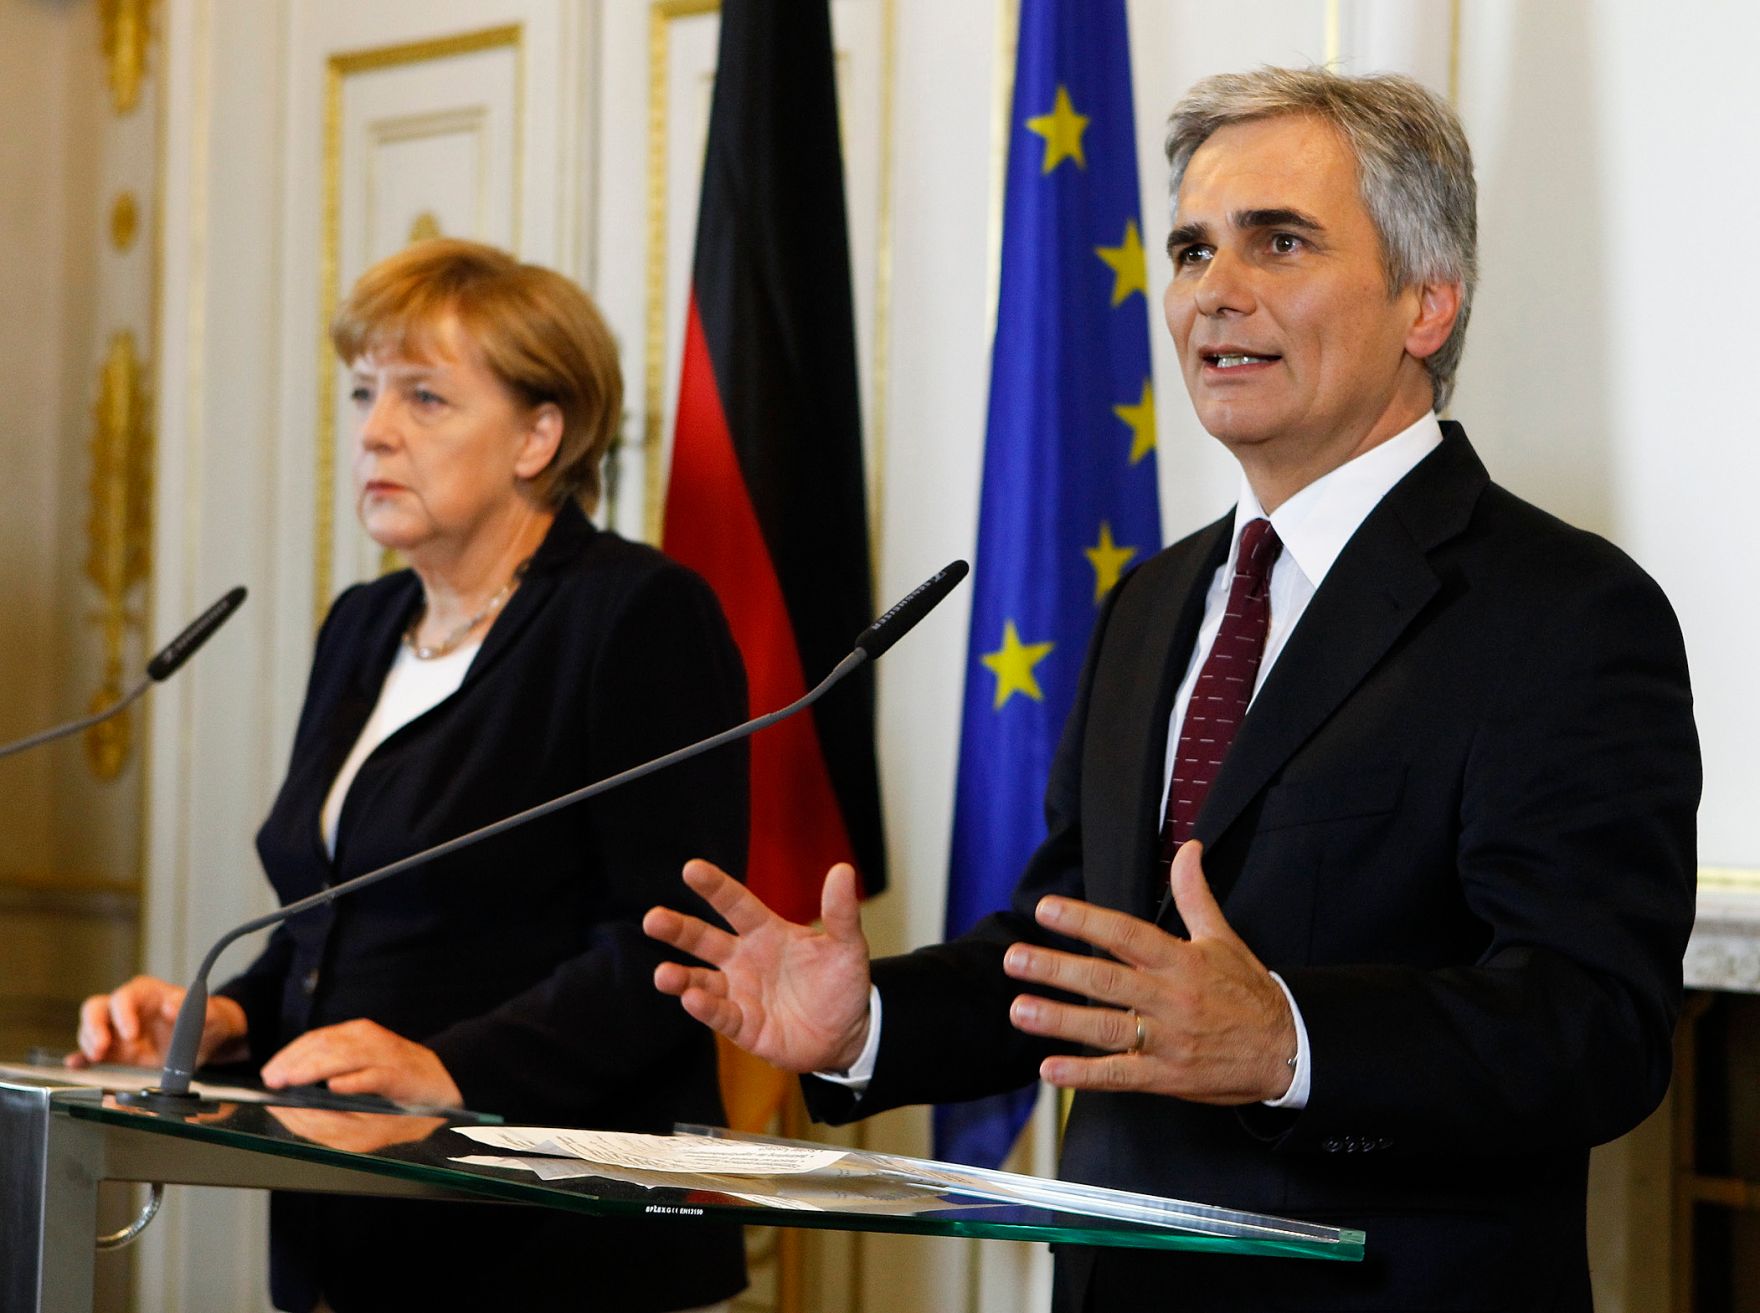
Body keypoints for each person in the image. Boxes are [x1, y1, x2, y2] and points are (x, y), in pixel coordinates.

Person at [643, 68, 1699, 1312]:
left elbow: (1592, 1027)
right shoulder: (1151, 603)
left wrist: (1287, 1038)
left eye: (1278, 241)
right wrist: (868, 1019)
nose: (1212, 292)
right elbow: (1073, 958)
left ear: (1427, 300)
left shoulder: (1561, 612)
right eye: (1192, 249)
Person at [73, 239, 749, 1313]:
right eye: (363, 392)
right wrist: (227, 1020)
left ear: (540, 433)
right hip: (344, 1217)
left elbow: (669, 943)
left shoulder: (632, 614)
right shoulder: (365, 621)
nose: (375, 431)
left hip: (552, 1241)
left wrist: (449, 1065)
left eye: (425, 397)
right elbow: (334, 926)